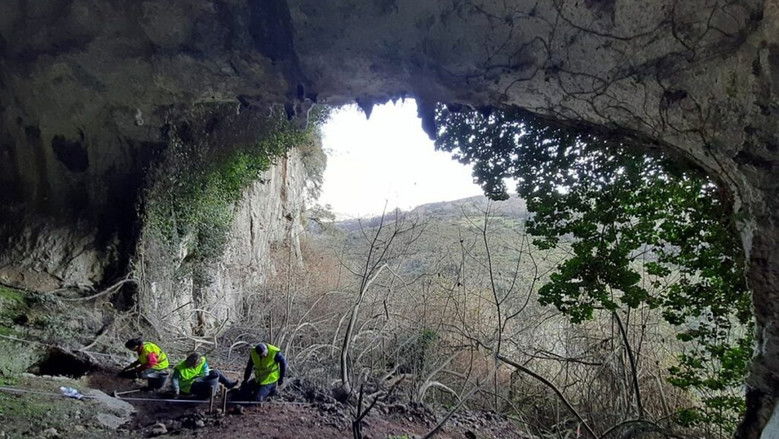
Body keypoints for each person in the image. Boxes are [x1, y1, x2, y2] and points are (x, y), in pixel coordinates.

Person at [171, 352, 237, 399]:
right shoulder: (180, 368)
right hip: (188, 386)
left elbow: (205, 368)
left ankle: (228, 384)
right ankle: (204, 395)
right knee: (207, 385)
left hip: (199, 377)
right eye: (192, 365)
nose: (195, 366)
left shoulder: (201, 360)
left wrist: (206, 375)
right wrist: (176, 391)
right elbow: (174, 380)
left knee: (216, 372)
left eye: (196, 365)